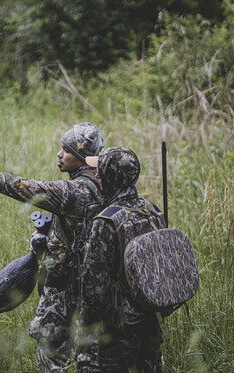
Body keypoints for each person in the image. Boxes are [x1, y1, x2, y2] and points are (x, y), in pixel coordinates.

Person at [0, 122, 104, 373]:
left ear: (82, 158)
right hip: (100, 290)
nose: (59, 154)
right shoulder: (110, 187)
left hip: (67, 289)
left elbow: (18, 186)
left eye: (66, 150)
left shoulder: (72, 192)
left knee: (52, 352)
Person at [77, 147, 167, 372]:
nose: (96, 175)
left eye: (100, 171)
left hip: (119, 326)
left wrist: (85, 330)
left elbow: (94, 286)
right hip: (152, 316)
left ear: (108, 177)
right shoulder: (153, 211)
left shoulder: (106, 221)